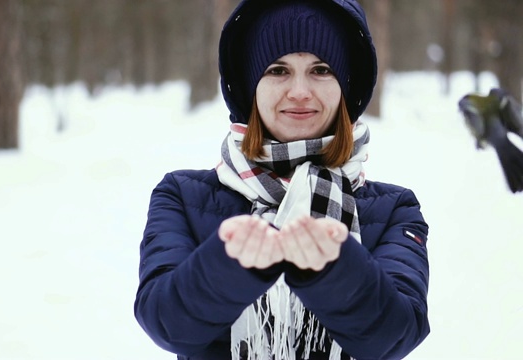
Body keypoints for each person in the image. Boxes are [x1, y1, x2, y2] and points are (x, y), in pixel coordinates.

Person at [134, 0, 430, 359]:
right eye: (278, 70)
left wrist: (335, 269)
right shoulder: (181, 195)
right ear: (250, 86)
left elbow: (394, 336)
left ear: (345, 87)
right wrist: (230, 265)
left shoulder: (395, 209)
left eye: (321, 70)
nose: (300, 91)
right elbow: (166, 323)